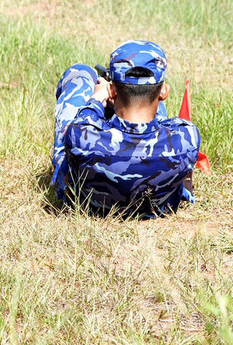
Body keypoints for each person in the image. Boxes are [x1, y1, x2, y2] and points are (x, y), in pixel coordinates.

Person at [51, 41, 199, 217]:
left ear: (112, 90)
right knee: (147, 105)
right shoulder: (187, 138)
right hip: (158, 208)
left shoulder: (82, 137)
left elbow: (84, 119)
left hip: (88, 207)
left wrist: (97, 99)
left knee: (80, 74)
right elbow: (161, 122)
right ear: (164, 92)